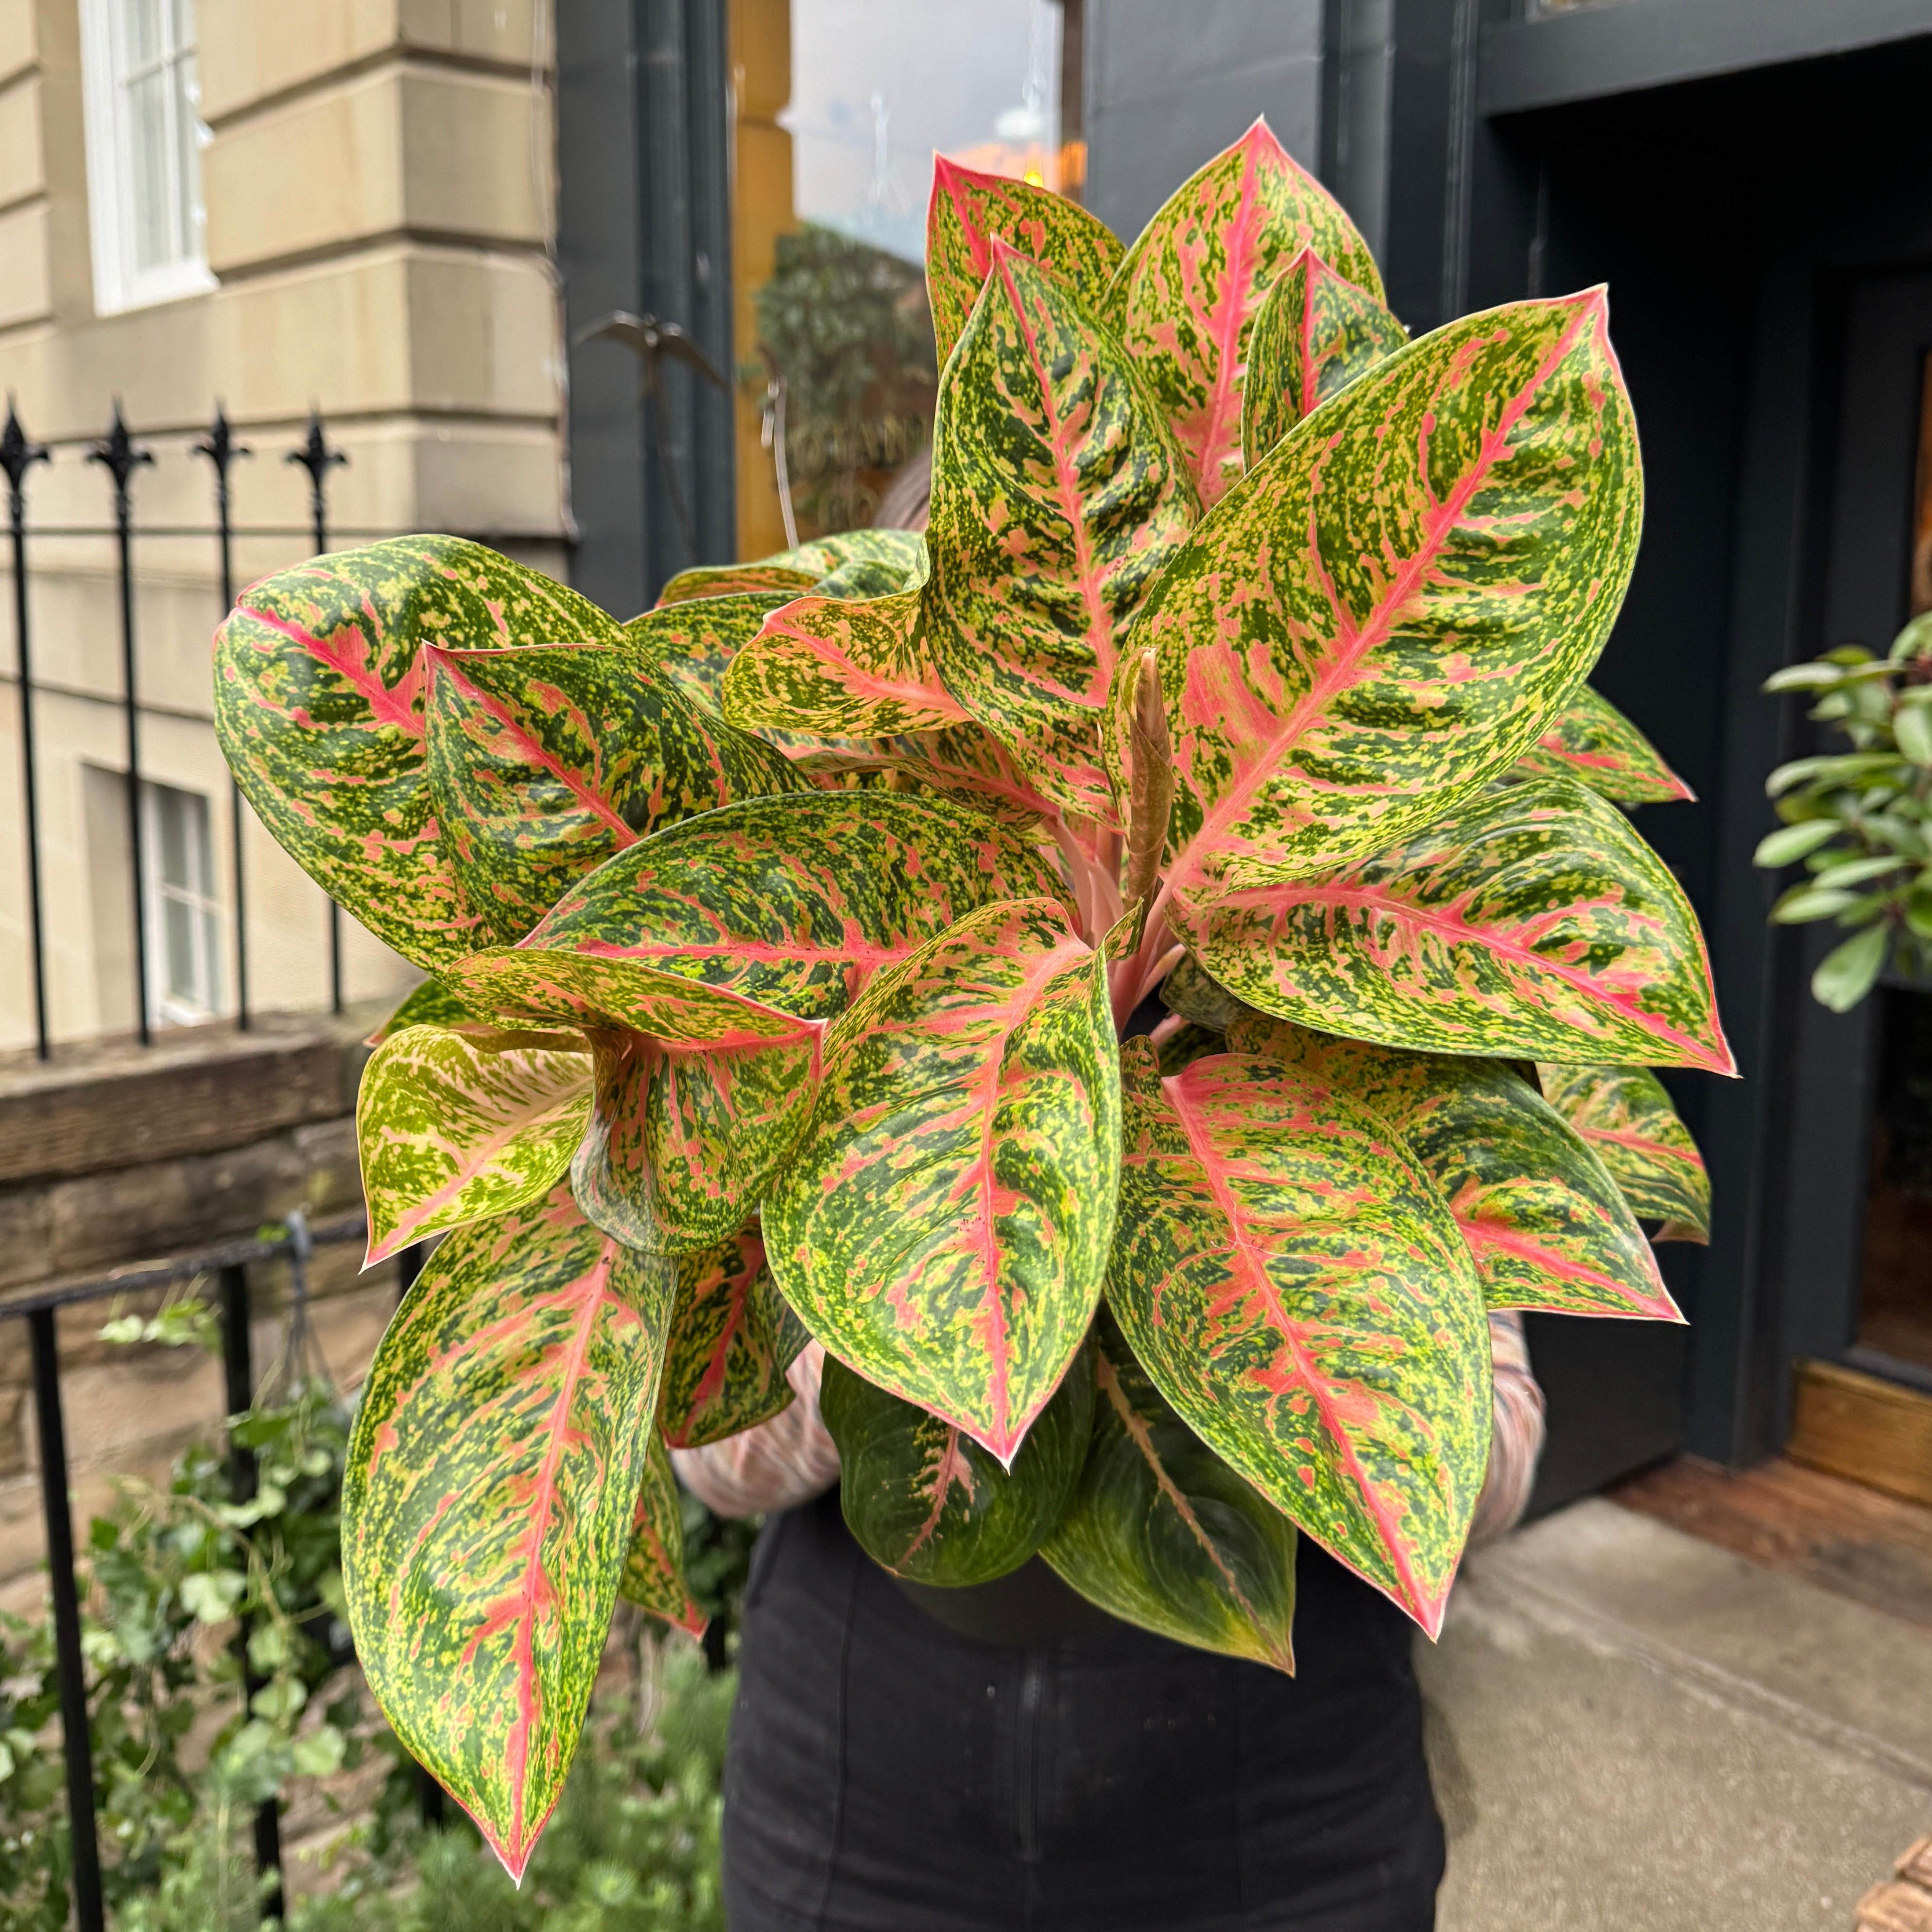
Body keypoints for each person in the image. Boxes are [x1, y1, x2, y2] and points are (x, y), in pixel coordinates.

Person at [674, 1299, 1544, 1932]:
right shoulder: (814, 1050)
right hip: (864, 1809)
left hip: (1283, 1818)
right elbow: (719, 1459)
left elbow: (1494, 1458)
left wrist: (1246, 1293)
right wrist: (907, 1310)